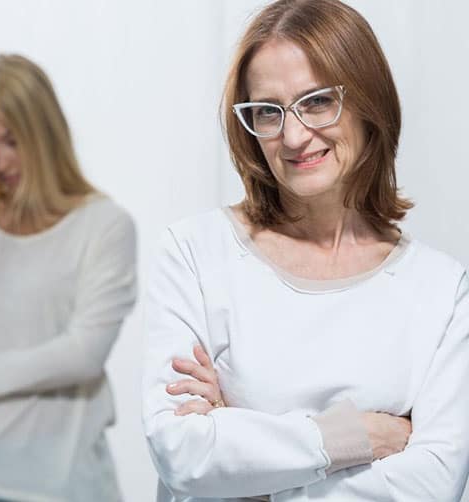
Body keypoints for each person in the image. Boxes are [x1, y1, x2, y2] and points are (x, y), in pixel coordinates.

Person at [142, 0, 469, 500]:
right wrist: (359, 437)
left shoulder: (442, 290)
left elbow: (433, 485)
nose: (293, 135)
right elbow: (181, 453)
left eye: (317, 101)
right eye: (267, 111)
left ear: (368, 102)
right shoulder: (194, 254)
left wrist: (244, 466)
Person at [0, 54, 137, 502]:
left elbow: (83, 353)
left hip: (63, 484)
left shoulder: (105, 225)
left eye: (12, 141)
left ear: (44, 135)